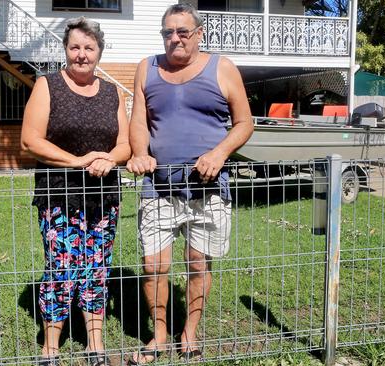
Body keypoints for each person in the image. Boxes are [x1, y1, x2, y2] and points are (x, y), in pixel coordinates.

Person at [125, 3, 254, 364]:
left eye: (182, 31)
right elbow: (138, 119)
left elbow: (244, 123)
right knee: (153, 266)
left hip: (207, 186)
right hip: (159, 185)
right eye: (168, 32)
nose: (175, 38)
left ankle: (190, 332)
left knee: (198, 262)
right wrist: (139, 153)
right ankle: (159, 336)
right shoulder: (146, 67)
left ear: (199, 34)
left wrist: (219, 153)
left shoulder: (222, 68)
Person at [21, 16, 130, 366]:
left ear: (99, 51)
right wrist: (79, 161)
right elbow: (30, 140)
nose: (81, 54)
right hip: (58, 197)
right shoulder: (48, 85)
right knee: (61, 267)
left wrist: (110, 159)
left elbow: (125, 144)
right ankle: (50, 346)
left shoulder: (112, 92)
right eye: (74, 47)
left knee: (97, 267)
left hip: (103, 196)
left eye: (89, 47)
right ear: (66, 50)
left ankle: (95, 344)